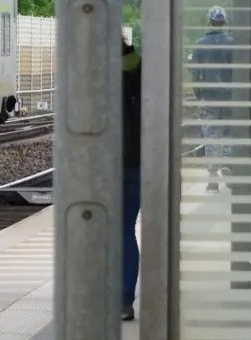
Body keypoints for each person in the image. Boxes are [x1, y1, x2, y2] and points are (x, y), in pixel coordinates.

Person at [189, 5, 234, 193]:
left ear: (209, 21)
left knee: (211, 136)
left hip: (208, 98)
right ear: (224, 22)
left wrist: (198, 93)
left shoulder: (200, 45)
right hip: (230, 98)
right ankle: (227, 163)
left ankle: (213, 180)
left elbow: (195, 73)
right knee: (230, 133)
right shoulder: (233, 43)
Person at [120, 33, 142, 322]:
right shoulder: (143, 69)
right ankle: (124, 300)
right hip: (140, 164)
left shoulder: (93, 73)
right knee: (125, 231)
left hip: (105, 168)